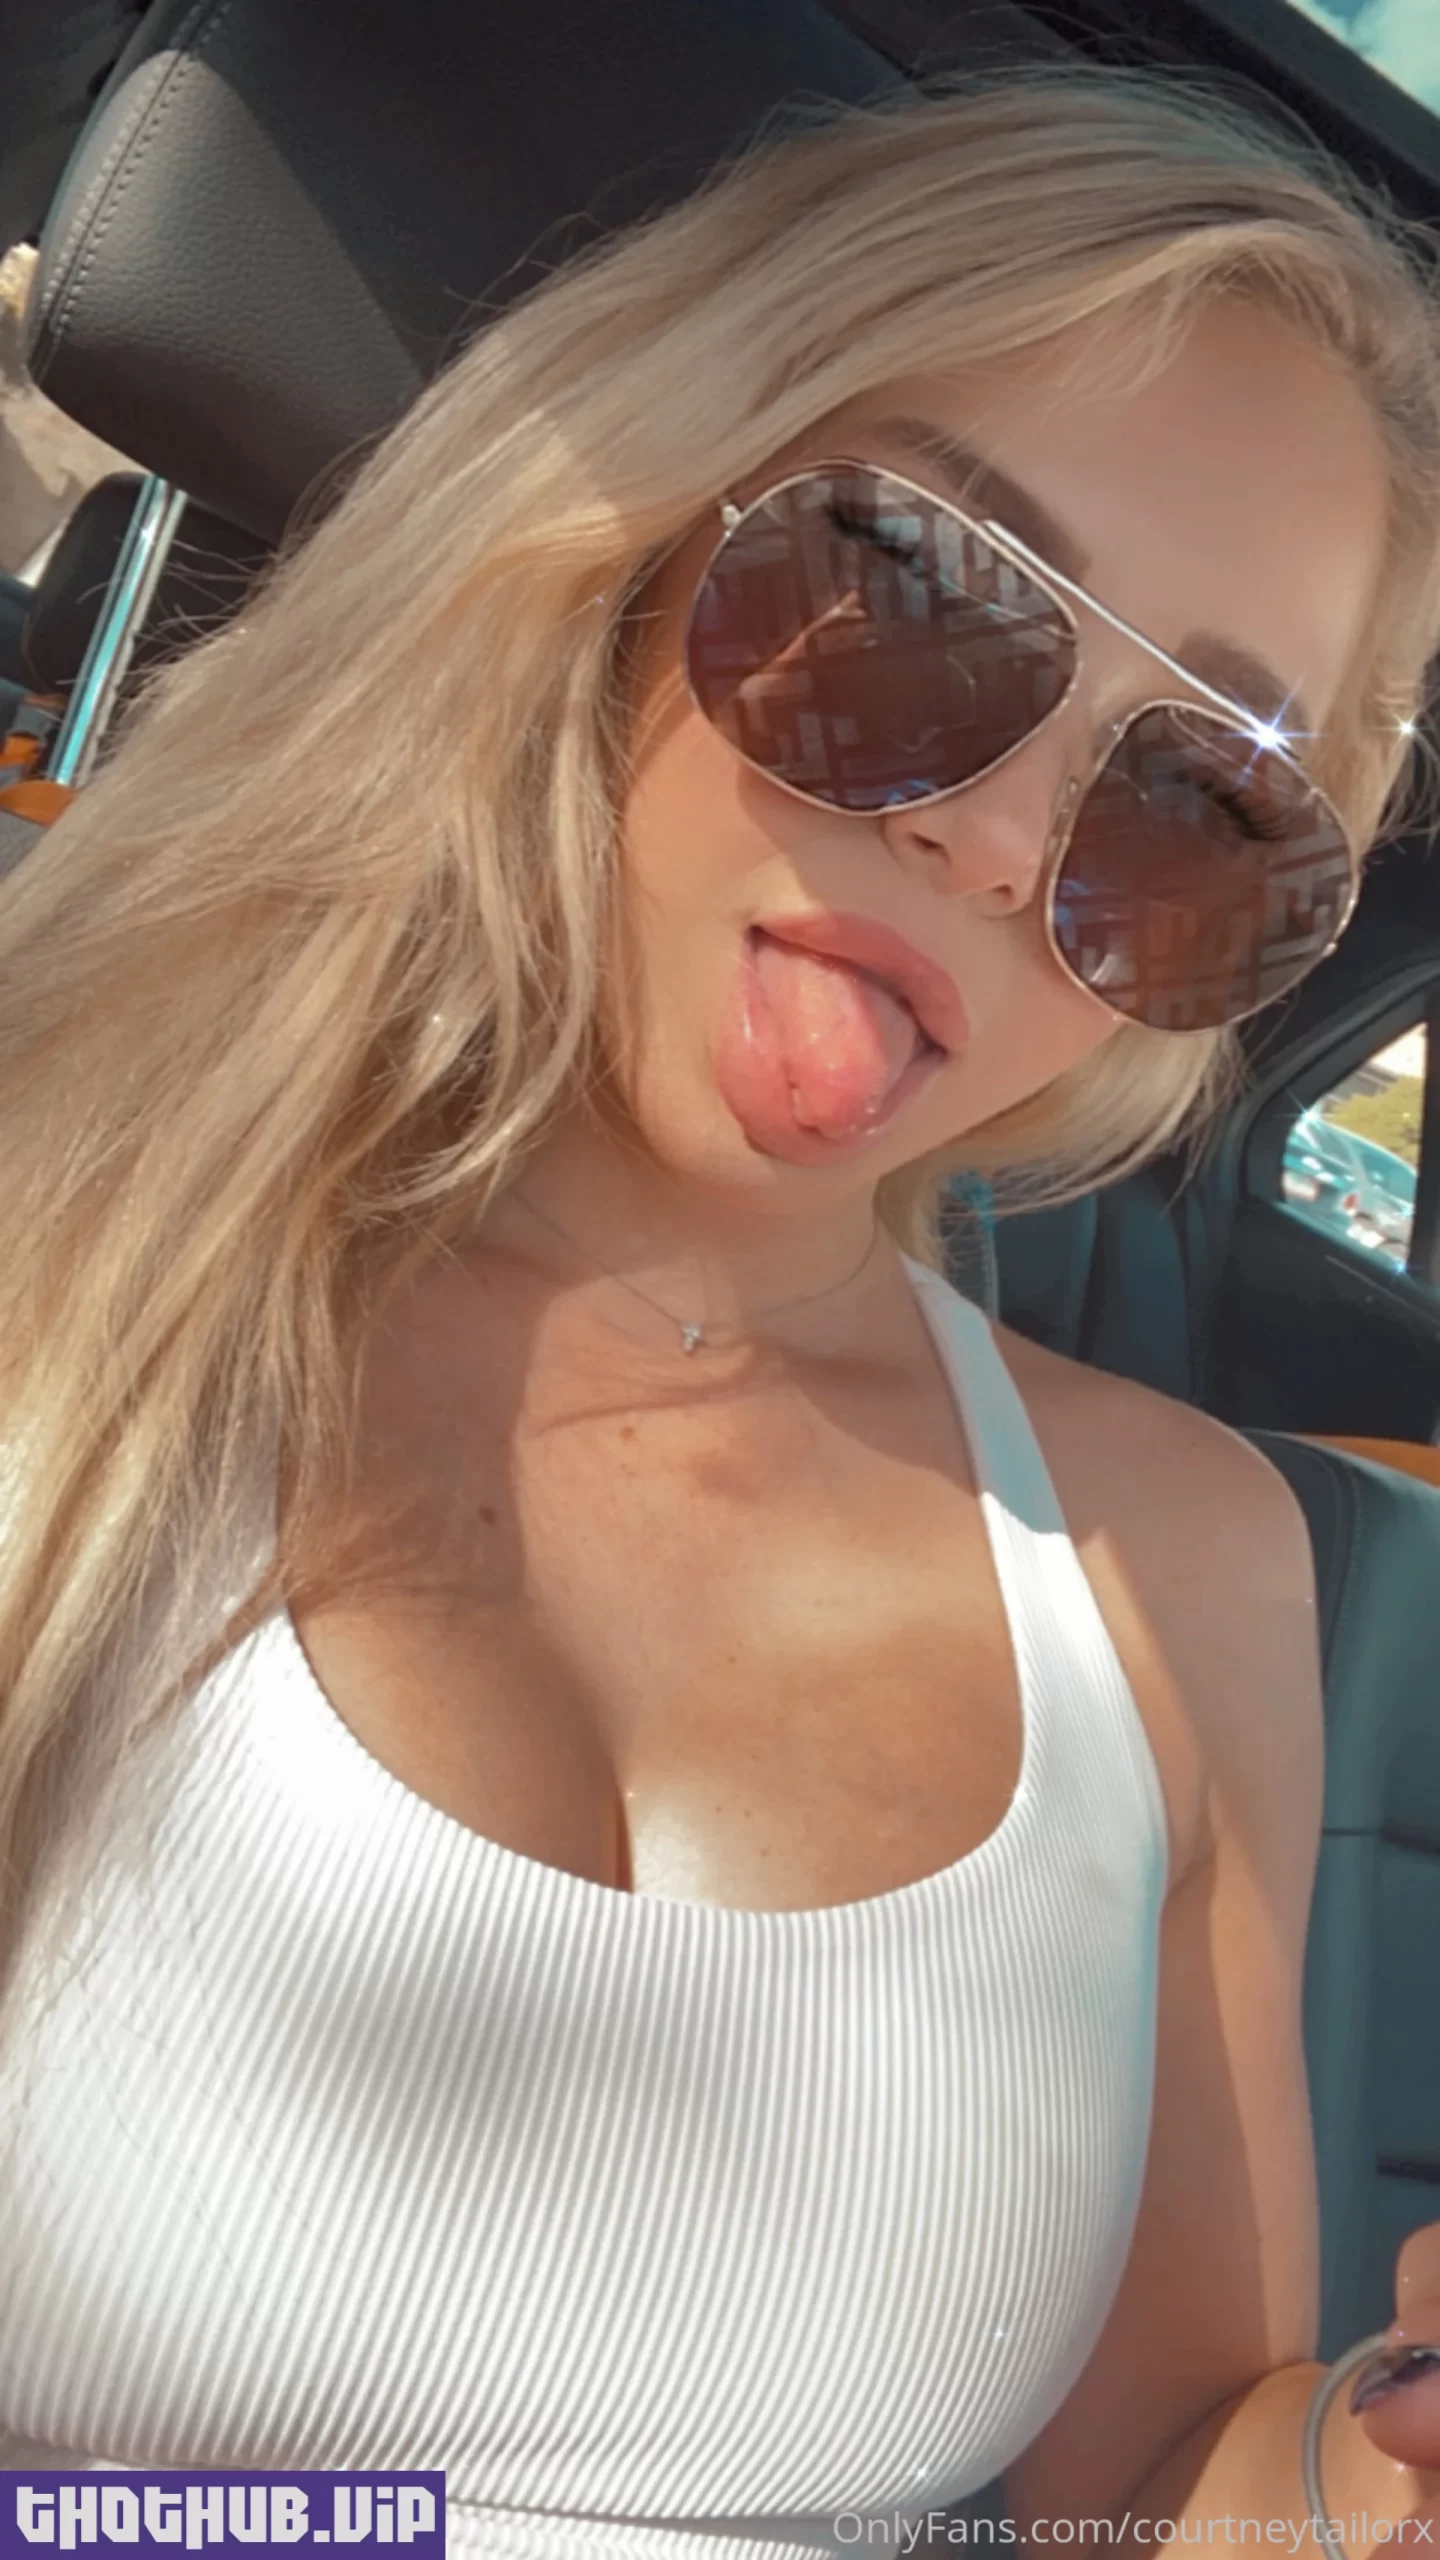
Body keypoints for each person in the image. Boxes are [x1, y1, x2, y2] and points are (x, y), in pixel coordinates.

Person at [0, 51, 1439, 2560]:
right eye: (920, 593)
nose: (1003, 840)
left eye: (1203, 801)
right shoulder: (60, 1234)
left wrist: (1371, 2467)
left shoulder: (1182, 1562)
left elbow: (1135, 2492)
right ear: (631, 527)